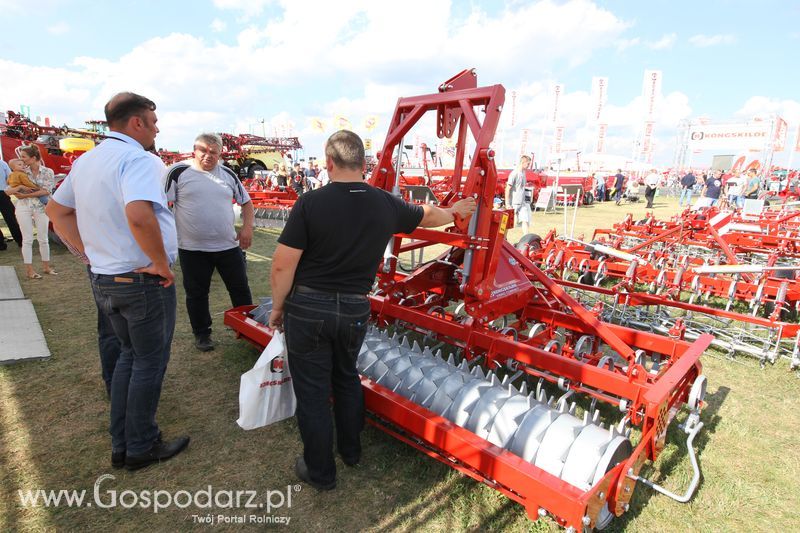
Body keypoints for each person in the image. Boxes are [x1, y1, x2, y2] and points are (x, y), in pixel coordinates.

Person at [268, 130, 476, 491]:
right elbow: (427, 216)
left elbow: (282, 266)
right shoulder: (385, 203)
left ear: (329, 162)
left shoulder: (310, 203)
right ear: (363, 163)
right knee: (347, 377)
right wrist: (454, 211)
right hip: (353, 308)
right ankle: (351, 452)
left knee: (314, 390)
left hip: (309, 308)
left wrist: (278, 308)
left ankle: (320, 472)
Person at [46, 92, 189, 471]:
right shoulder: (137, 159)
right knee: (148, 362)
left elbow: (56, 211)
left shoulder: (88, 161)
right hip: (140, 280)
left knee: (128, 356)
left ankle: (122, 443)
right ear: (137, 123)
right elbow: (139, 215)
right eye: (154, 122)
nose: (157, 129)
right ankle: (141, 444)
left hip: (106, 277)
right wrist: (160, 263)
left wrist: (87, 255)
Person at [165, 132, 254, 352]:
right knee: (197, 293)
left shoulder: (227, 174)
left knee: (240, 289)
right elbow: (162, 205)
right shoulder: (178, 172)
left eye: (213, 152)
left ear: (220, 154)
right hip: (192, 249)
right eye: (203, 150)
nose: (208, 155)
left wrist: (247, 228)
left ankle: (248, 330)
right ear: (194, 150)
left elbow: (247, 202)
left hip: (228, 246)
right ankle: (202, 334)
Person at [5, 145, 56, 279]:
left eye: (24, 157)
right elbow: (7, 191)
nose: (21, 159)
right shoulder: (20, 171)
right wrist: (21, 187)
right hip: (23, 208)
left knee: (43, 239)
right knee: (27, 239)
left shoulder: (47, 172)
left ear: (33, 158)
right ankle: (30, 270)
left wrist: (25, 194)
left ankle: (46, 267)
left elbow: (46, 191)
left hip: (40, 208)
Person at [504, 155, 531, 234]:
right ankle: (504, 239)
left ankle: (526, 239)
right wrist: (507, 204)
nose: (528, 166)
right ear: (523, 162)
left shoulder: (523, 173)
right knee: (509, 223)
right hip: (514, 203)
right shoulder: (514, 173)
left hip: (522, 203)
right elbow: (507, 188)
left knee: (525, 220)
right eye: (528, 164)